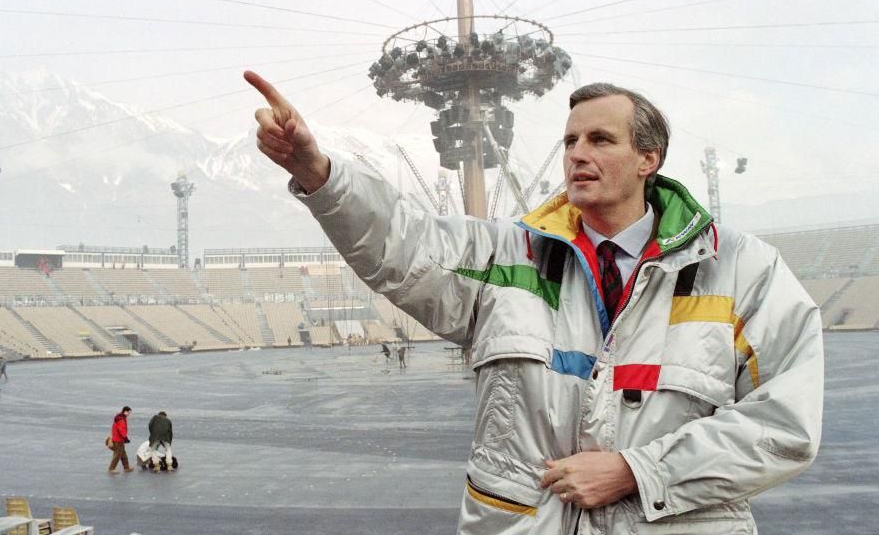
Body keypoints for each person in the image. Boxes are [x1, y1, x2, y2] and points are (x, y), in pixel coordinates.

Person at [245, 71, 824, 534]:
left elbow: (786, 423)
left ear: (649, 160)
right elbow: (404, 243)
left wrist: (639, 471)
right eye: (570, 140)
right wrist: (317, 173)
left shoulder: (743, 269)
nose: (577, 154)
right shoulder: (505, 258)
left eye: (600, 139)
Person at [108, 406, 133, 474]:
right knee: (117, 455)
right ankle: (111, 468)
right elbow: (121, 429)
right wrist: (125, 437)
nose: (129, 414)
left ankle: (126, 467)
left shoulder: (119, 418)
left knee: (123, 455)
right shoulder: (121, 420)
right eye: (128, 413)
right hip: (118, 440)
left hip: (118, 438)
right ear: (125, 411)